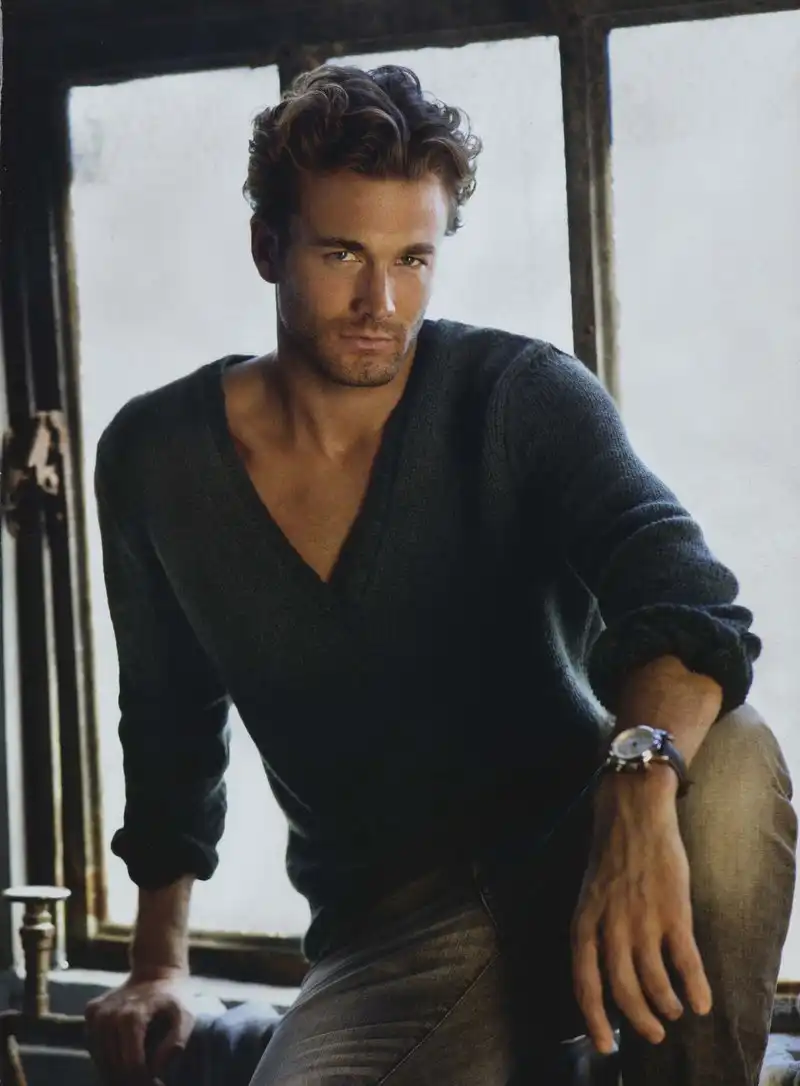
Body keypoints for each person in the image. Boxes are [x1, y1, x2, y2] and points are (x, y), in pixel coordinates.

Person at [84, 64, 796, 1086]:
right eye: (341, 253)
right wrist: (157, 964)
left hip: (586, 846)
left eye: (412, 258)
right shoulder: (155, 460)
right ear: (267, 247)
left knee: (729, 754)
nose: (381, 302)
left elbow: (688, 601)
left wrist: (636, 794)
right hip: (389, 934)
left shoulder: (520, 395)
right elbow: (165, 716)